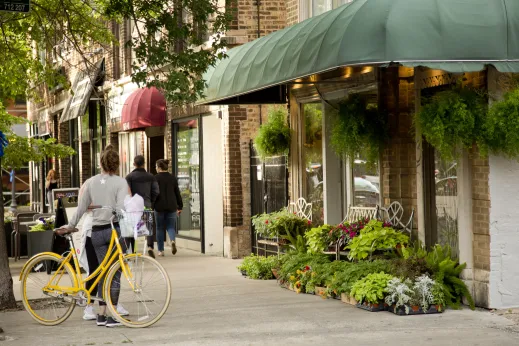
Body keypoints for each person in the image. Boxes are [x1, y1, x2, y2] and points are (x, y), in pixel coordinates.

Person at [58, 145, 130, 328]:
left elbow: (81, 208)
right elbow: (122, 208)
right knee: (114, 273)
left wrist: (70, 225)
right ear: (117, 164)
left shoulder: (90, 182)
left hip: (96, 232)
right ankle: (112, 316)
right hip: (113, 230)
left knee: (101, 273)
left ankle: (101, 314)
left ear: (101, 163)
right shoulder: (121, 182)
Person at [78, 186, 129, 321]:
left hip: (109, 229)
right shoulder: (90, 186)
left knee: (111, 270)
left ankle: (112, 305)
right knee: (96, 270)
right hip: (92, 231)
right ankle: (89, 306)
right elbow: (85, 206)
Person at [125, 155, 159, 258]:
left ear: (134, 164)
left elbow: (126, 191)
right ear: (144, 163)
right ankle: (150, 246)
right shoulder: (151, 176)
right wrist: (151, 201)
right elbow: (156, 191)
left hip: (134, 207)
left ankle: (132, 250)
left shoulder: (129, 177)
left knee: (132, 227)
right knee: (149, 226)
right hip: (146, 205)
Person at [154, 159, 183, 257]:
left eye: (156, 166)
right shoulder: (172, 178)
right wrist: (180, 206)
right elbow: (177, 193)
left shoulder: (155, 178)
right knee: (170, 227)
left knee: (159, 228)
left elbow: (154, 193)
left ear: (159, 167)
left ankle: (161, 250)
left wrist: (151, 204)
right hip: (172, 206)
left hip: (159, 206)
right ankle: (173, 240)